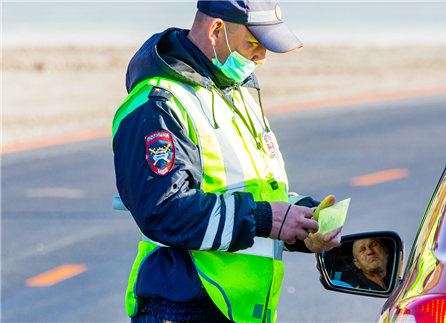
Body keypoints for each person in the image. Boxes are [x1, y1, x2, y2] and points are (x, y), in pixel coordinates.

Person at [111, 1, 342, 322]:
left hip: (237, 309)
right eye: (254, 44)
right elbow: (164, 211)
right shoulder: (159, 103)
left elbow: (253, 190)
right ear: (216, 30)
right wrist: (268, 220)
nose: (262, 58)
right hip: (182, 307)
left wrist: (302, 219)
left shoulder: (236, 93)